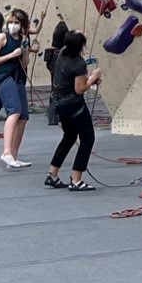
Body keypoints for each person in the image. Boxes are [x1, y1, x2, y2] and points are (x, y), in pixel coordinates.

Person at [44, 29, 100, 191]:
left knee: (69, 136)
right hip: (73, 105)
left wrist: (88, 79)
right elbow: (79, 89)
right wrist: (93, 78)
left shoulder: (62, 52)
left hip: (58, 103)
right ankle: (76, 179)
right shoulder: (79, 63)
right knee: (87, 138)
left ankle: (52, 173)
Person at [0, 8, 34, 169]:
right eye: (11, 22)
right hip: (2, 76)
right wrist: (11, 55)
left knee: (23, 117)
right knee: (14, 111)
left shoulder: (22, 39)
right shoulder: (2, 38)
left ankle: (14, 155)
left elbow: (24, 64)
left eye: (16, 22)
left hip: (17, 77)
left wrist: (25, 50)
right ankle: (6, 152)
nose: (13, 25)